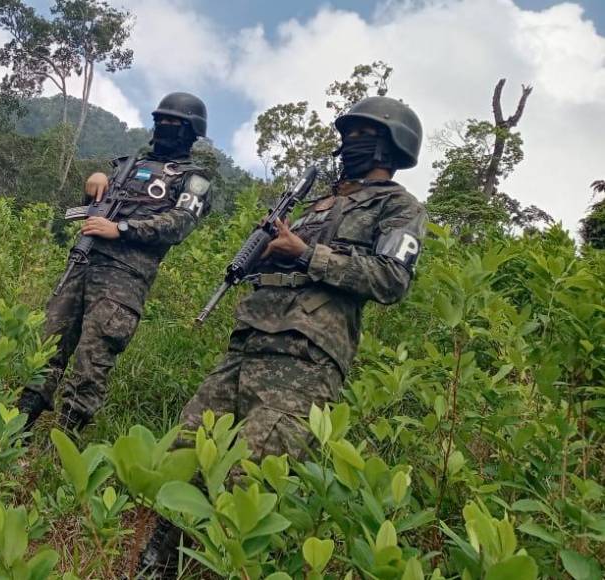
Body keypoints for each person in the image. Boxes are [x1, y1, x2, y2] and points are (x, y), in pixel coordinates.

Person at [136, 96, 428, 577]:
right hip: (250, 340)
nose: (348, 143)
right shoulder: (317, 201)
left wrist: (306, 253)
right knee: (185, 456)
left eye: (360, 134)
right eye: (346, 133)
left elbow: (390, 279)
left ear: (388, 146)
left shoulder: (399, 207)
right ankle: (153, 567)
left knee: (244, 481)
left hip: (304, 356)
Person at [17, 92, 214, 438]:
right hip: (83, 261)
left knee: (91, 364)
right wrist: (94, 182)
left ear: (191, 131)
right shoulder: (129, 164)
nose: (166, 127)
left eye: (175, 123)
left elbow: (179, 223)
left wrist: (121, 229)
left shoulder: (194, 179)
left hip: (123, 280)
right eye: (162, 121)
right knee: (46, 350)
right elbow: (97, 205)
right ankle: (15, 435)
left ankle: (59, 453)